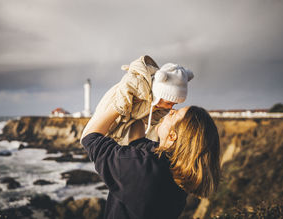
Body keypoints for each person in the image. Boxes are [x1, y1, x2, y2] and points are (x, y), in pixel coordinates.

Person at [81, 70, 221, 219]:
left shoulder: (144, 168)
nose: (171, 111)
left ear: (173, 136)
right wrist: (147, 104)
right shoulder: (178, 169)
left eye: (175, 114)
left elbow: (90, 138)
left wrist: (120, 105)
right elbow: (137, 142)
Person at [83, 55, 194, 144]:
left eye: (174, 104)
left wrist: (156, 109)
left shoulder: (160, 105)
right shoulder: (140, 83)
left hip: (129, 118)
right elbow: (127, 85)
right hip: (114, 104)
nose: (170, 107)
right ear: (160, 94)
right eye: (169, 102)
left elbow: (150, 119)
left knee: (119, 138)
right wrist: (122, 107)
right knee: (89, 135)